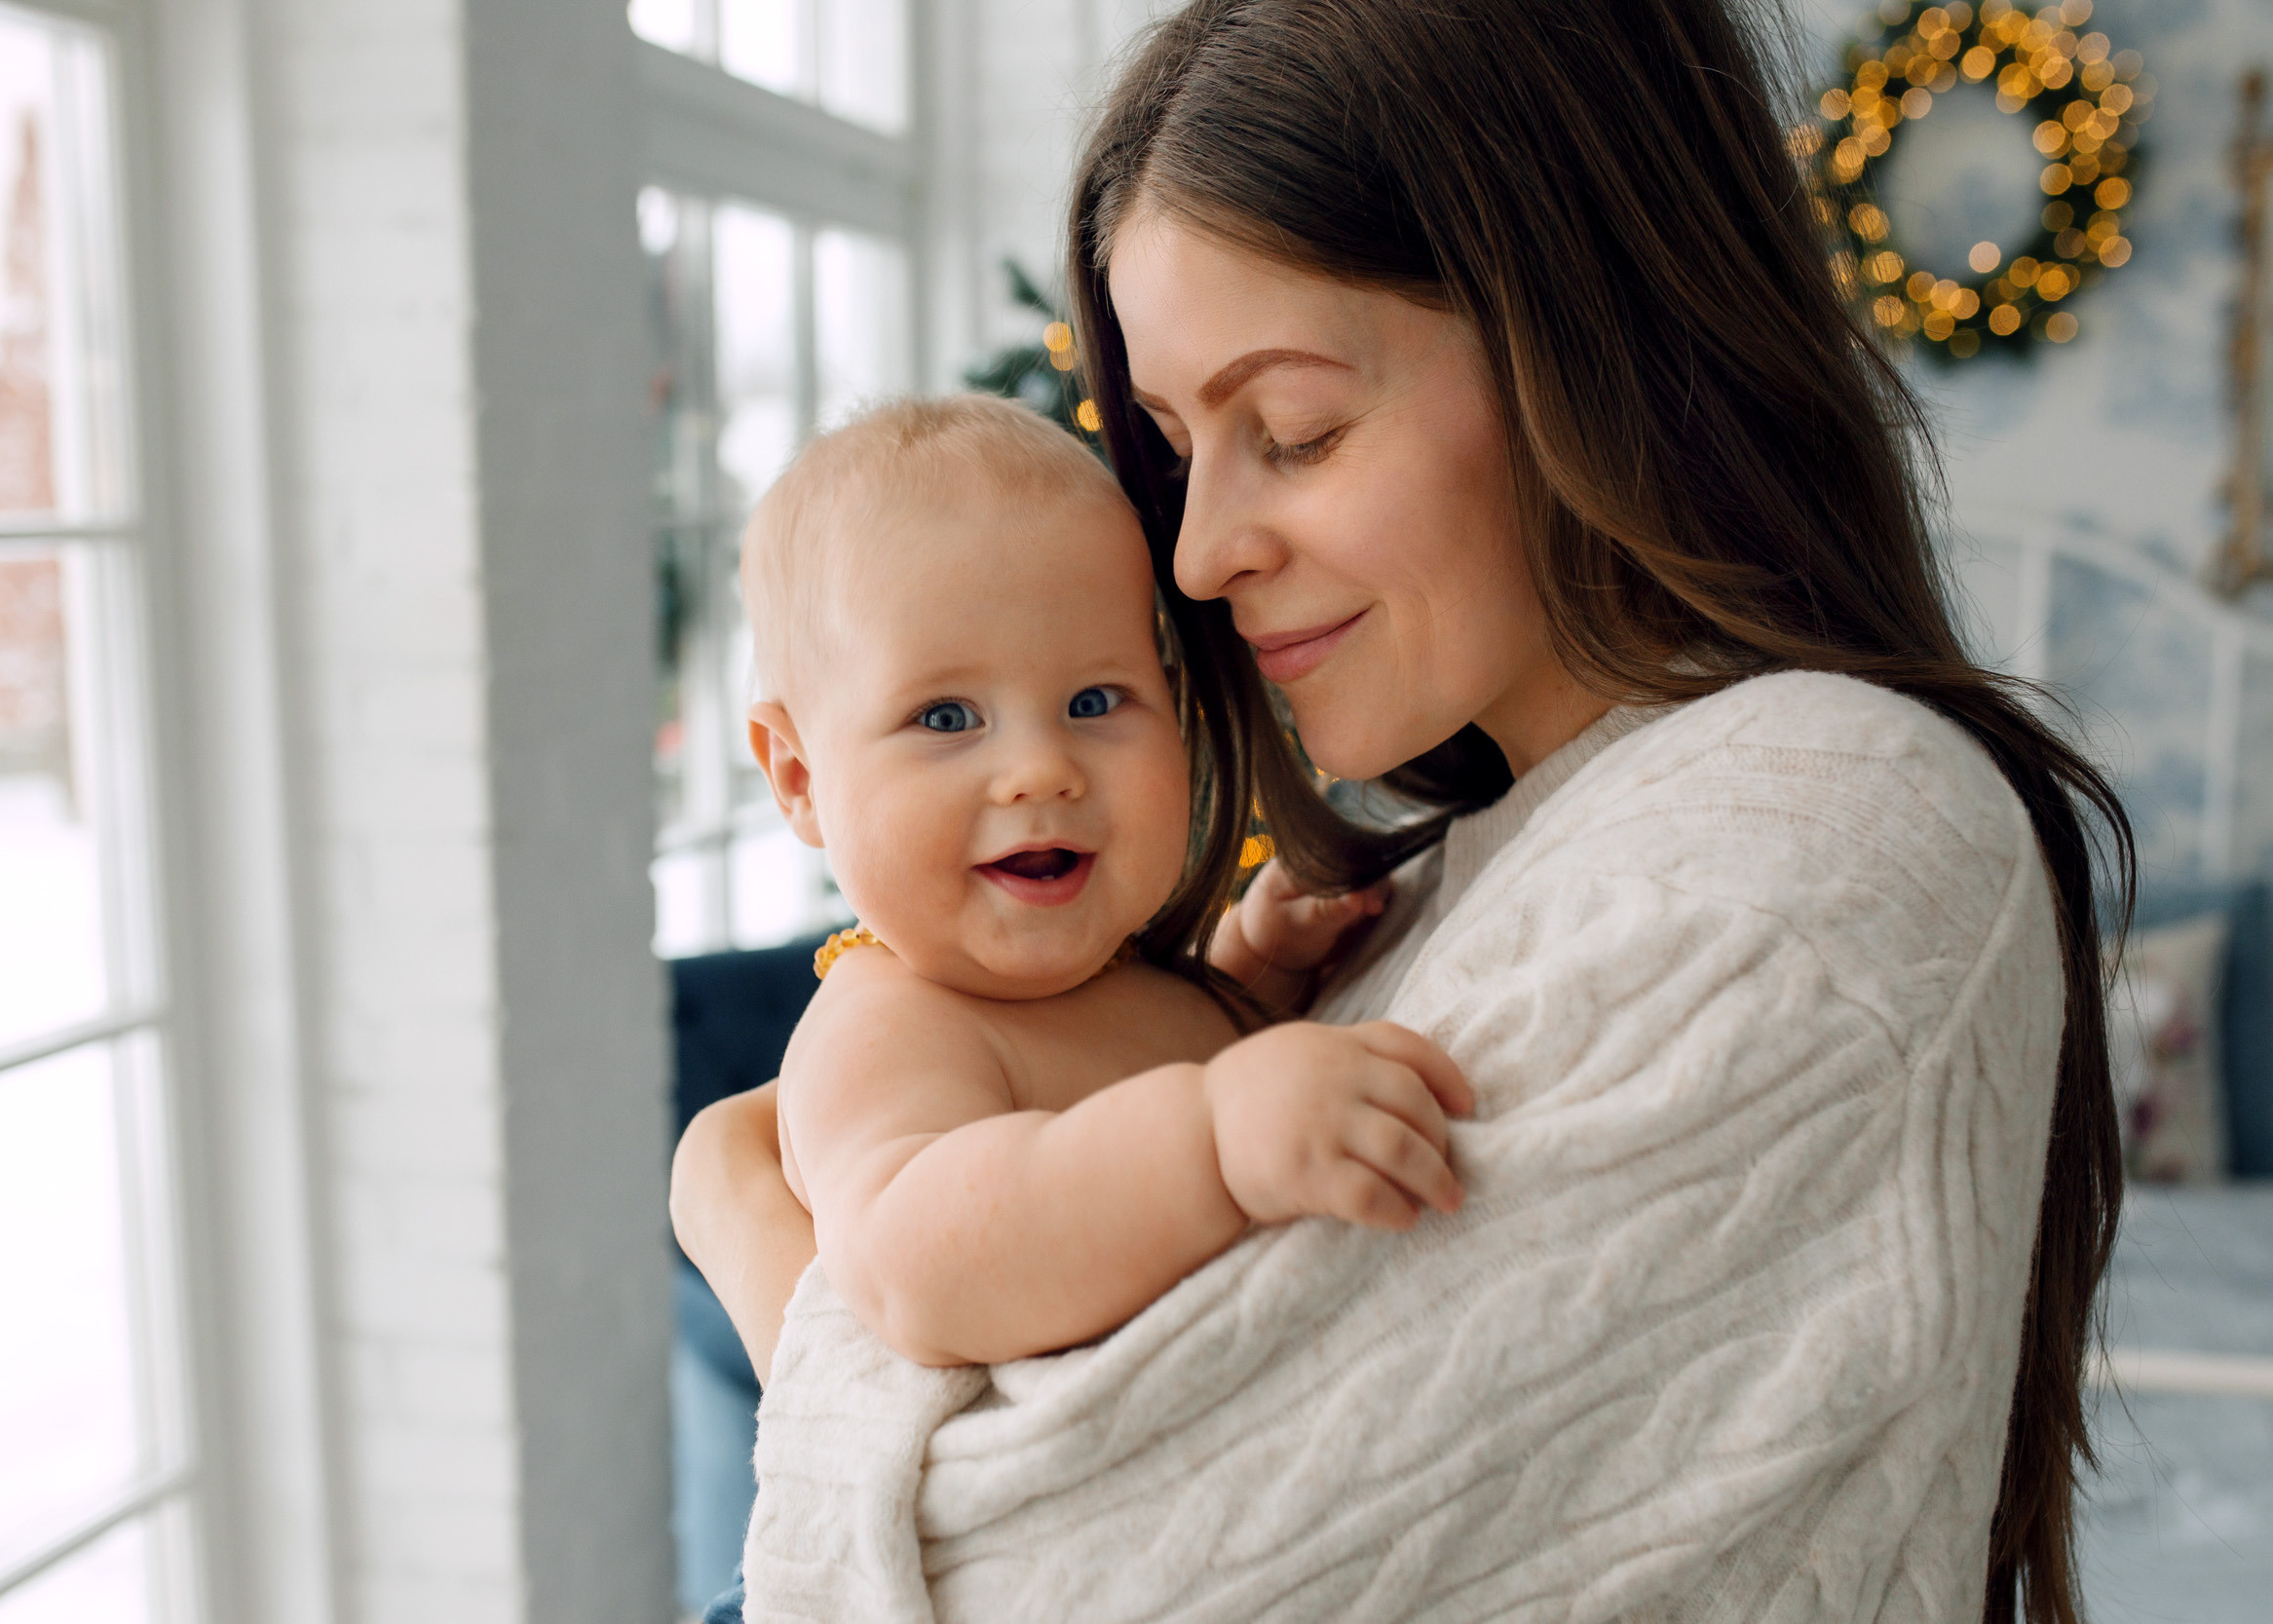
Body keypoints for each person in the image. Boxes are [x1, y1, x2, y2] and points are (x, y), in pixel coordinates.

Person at [670, 2, 2131, 1618]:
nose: (1197, 552)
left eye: (1288, 430)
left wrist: (755, 1235)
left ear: (1588, 333)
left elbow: (1016, 1579)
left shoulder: (1811, 839)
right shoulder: (1476, 865)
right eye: (1173, 454)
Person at [737, 394, 1468, 1371]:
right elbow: (919, 1266)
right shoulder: (886, 1029)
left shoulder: (1121, 971)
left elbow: (1147, 1052)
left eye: (1093, 700)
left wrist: (1254, 969)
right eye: (947, 718)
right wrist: (1210, 1140)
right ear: (798, 778)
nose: (1042, 768)